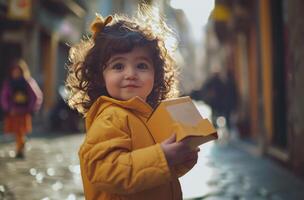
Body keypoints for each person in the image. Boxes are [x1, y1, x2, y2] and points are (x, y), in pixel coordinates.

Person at [65, 8, 199, 200]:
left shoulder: (146, 116)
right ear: (101, 76)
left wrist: (180, 158)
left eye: (141, 66)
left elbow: (152, 173)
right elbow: (104, 170)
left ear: (156, 75)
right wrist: (163, 156)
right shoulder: (111, 117)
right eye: (118, 66)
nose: (130, 74)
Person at [0, 59, 43, 158]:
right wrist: (8, 108)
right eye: (14, 71)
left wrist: (32, 108)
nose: (16, 73)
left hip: (24, 112)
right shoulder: (9, 83)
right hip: (13, 112)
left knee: (21, 131)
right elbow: (4, 96)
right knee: (17, 132)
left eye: (18, 71)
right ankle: (20, 146)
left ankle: (20, 149)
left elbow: (36, 96)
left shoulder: (28, 82)